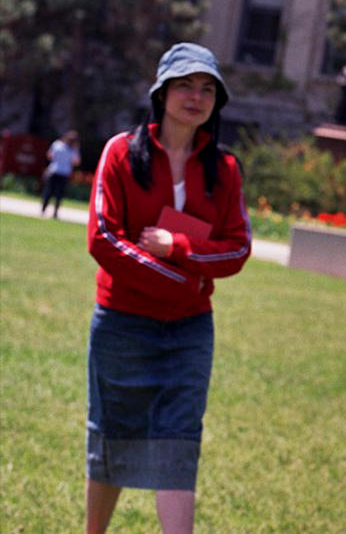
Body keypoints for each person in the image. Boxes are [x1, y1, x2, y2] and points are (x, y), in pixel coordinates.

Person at [85, 42, 252, 534]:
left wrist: (177, 248)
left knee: (180, 441)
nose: (196, 97)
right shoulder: (120, 152)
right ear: (161, 93)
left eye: (207, 89)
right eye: (185, 85)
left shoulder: (225, 171)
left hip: (189, 332)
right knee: (113, 437)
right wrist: (189, 279)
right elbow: (103, 239)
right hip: (122, 325)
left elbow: (237, 249)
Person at [41, 129, 81, 218]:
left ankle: (43, 209)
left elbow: (49, 156)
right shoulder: (73, 150)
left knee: (48, 191)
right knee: (59, 194)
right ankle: (55, 212)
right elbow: (76, 162)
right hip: (64, 173)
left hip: (53, 170)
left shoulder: (56, 144)